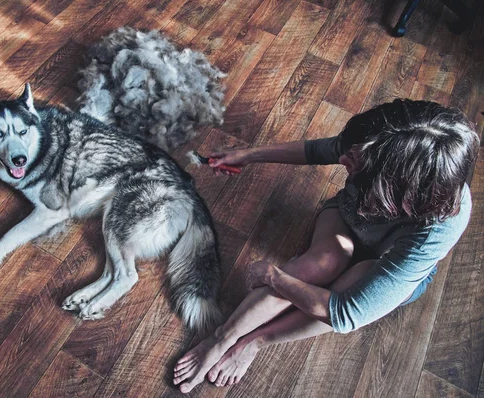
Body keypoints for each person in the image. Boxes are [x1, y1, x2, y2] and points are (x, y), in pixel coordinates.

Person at [172, 99, 480, 393]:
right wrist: (247, 155)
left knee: (358, 275)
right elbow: (320, 150)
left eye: (353, 163)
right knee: (326, 261)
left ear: (398, 194)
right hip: (348, 218)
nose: (342, 159)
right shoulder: (384, 141)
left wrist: (273, 275)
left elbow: (345, 314)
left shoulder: (437, 229)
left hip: (385, 264)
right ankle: (223, 338)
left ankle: (255, 341)